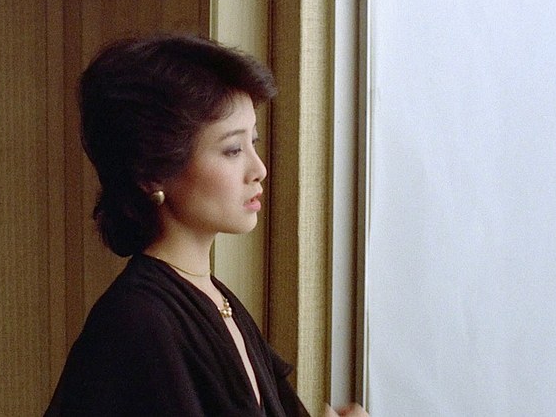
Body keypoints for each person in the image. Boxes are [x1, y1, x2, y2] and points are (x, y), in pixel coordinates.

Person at [45, 33, 367, 417]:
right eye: (232, 150)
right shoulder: (139, 322)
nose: (259, 169)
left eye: (253, 142)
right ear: (151, 173)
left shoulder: (216, 299)